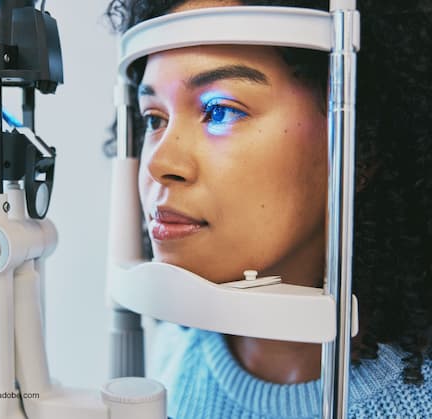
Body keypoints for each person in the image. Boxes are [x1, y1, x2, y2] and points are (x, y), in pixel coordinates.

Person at [104, 0, 432, 417]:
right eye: (155, 119)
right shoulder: (175, 354)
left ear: (359, 146)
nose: (158, 164)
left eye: (219, 111)